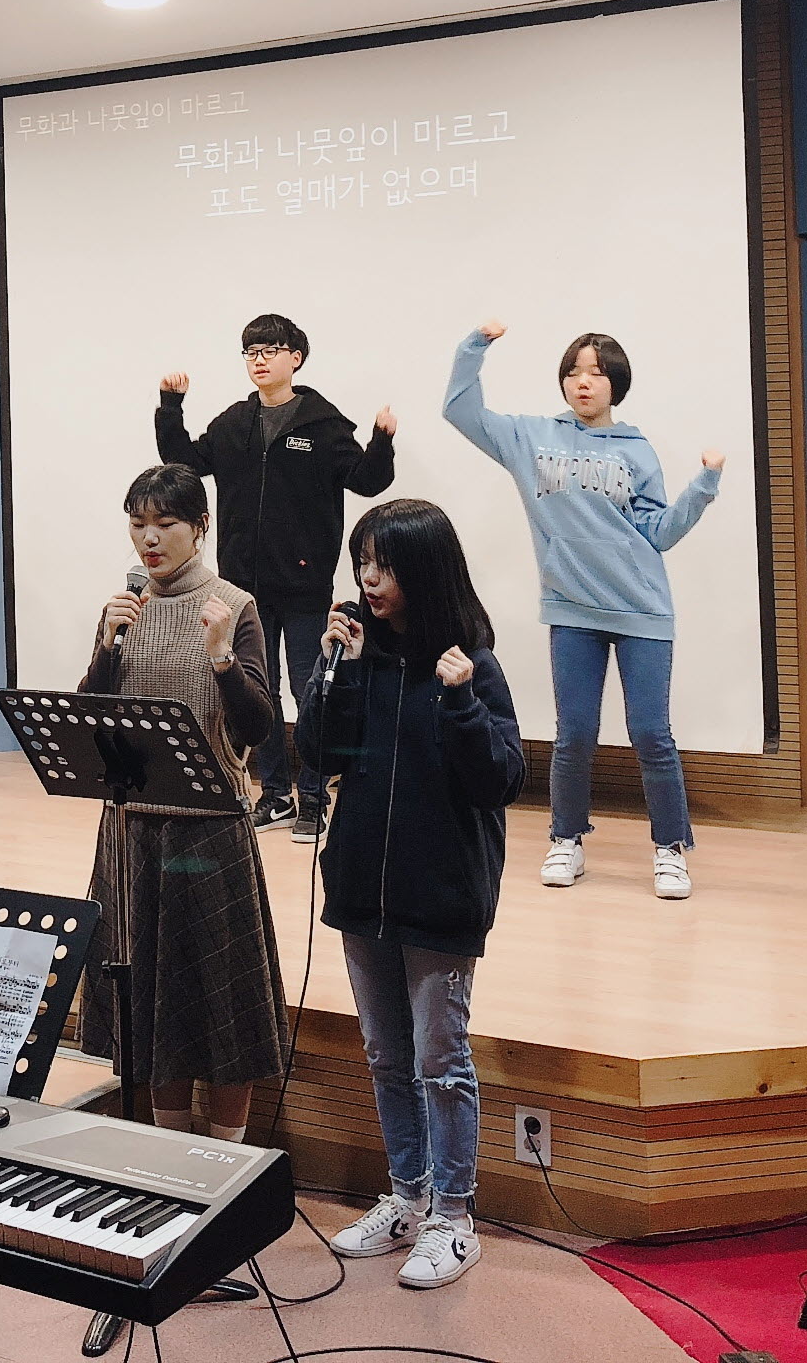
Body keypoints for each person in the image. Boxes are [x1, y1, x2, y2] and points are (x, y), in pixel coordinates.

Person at [310, 500, 523, 1290]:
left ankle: (454, 1217)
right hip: (364, 888)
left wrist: (461, 703)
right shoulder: (360, 656)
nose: (369, 579)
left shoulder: (472, 665)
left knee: (441, 1060)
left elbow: (501, 779)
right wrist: (332, 669)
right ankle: (406, 1197)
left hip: (441, 897)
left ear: (425, 571)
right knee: (385, 1054)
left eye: (386, 565)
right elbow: (319, 754)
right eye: (363, 562)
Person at [443, 322, 722, 900]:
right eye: (573, 372)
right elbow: (460, 411)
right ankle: (565, 838)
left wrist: (704, 484)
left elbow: (658, 533)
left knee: (651, 734)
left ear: (616, 383)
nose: (583, 382)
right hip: (571, 608)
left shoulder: (636, 450)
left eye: (595, 372)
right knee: (573, 734)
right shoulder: (531, 438)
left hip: (641, 607)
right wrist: (476, 345)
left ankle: (670, 848)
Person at [75, 464, 289, 1141]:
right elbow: (88, 720)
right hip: (131, 831)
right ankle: (167, 1152)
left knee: (219, 998)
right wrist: (106, 648)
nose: (149, 538)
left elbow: (257, 728)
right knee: (149, 999)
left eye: (164, 524)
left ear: (200, 527)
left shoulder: (234, 606)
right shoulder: (123, 610)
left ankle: (224, 1163)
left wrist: (223, 658)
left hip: (207, 832)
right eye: (137, 524)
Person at [156, 313, 396, 843]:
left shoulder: (322, 424)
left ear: (296, 358)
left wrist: (381, 440)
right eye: (251, 351)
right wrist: (170, 407)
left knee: (313, 688)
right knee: (256, 689)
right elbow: (185, 461)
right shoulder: (234, 423)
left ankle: (313, 797)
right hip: (243, 584)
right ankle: (275, 796)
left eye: (270, 349)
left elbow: (367, 480)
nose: (259, 360)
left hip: (305, 585)